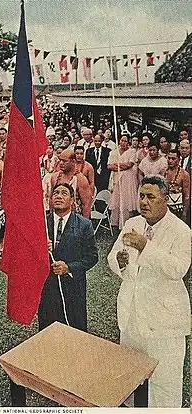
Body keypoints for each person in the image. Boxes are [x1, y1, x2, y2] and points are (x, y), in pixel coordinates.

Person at [108, 175, 191, 408]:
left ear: (165, 199)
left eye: (150, 197)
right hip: (132, 315)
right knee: (130, 377)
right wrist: (121, 262)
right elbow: (113, 258)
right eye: (141, 196)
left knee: (163, 381)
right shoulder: (132, 224)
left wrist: (146, 247)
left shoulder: (181, 231)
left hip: (163, 322)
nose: (144, 202)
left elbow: (178, 269)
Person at [38, 183, 98, 331]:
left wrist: (69, 268)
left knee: (74, 329)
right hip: (48, 287)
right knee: (48, 328)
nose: (58, 196)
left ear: (72, 200)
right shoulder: (42, 223)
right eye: (56, 193)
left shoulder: (84, 225)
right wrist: (40, 250)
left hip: (73, 288)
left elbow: (92, 256)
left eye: (64, 193)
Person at [108, 134, 138, 229]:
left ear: (128, 142)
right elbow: (109, 166)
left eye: (125, 141)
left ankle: (125, 224)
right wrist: (121, 166)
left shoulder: (132, 152)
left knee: (126, 200)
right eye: (122, 140)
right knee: (116, 200)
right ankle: (115, 223)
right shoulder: (114, 152)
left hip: (127, 180)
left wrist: (116, 165)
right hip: (116, 179)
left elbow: (129, 164)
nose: (123, 143)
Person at [51, 149, 92, 218]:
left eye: (64, 161)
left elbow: (86, 205)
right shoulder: (55, 177)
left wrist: (84, 226)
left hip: (75, 218)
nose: (61, 163)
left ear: (73, 162)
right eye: (60, 160)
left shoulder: (81, 179)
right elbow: (51, 198)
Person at [166, 149, 190, 224]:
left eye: (173, 159)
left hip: (178, 209)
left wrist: (184, 213)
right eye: (169, 158)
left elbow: (187, 195)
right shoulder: (163, 172)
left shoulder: (184, 174)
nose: (170, 161)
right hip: (165, 208)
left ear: (179, 159)